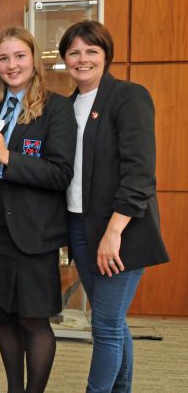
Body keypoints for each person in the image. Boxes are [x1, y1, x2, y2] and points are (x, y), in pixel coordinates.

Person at [0, 27, 76, 393]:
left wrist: (6, 156)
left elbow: (59, 173)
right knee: (4, 316)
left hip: (32, 232)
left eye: (19, 56)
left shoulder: (57, 108)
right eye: (4, 58)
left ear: (34, 59)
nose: (12, 65)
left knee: (33, 321)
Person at [59, 20, 169, 393]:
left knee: (104, 326)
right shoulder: (67, 106)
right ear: (64, 60)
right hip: (80, 228)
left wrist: (113, 233)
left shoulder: (128, 96)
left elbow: (139, 173)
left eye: (91, 50)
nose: (82, 58)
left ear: (106, 55)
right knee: (113, 322)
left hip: (120, 230)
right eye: (74, 52)